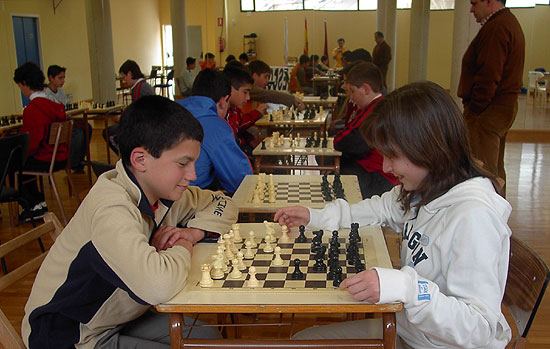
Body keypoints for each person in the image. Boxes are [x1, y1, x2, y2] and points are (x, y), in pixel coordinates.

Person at [274, 81, 512, 348]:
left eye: (392, 155)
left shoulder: (474, 216)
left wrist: (407, 288)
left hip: (434, 343)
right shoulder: (427, 188)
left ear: (427, 148)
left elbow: (479, 328)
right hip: (408, 327)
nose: (386, 165)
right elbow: (378, 209)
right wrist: (314, 217)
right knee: (301, 341)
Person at [22, 95, 237, 348]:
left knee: (206, 339)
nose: (193, 174)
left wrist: (193, 233)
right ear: (140, 160)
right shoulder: (112, 208)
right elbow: (158, 286)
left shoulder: (165, 193)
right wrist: (182, 247)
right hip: (70, 335)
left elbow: (225, 203)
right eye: (183, 164)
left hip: (119, 316)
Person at [458, 0, 525, 195]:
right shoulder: (506, 22)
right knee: (493, 168)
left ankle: (487, 220)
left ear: (489, 2)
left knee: (482, 171)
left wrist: (475, 110)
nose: (471, 9)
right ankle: (495, 217)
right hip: (498, 107)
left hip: (487, 110)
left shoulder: (497, 27)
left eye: (474, 3)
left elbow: (489, 74)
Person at [178, 69, 252, 194]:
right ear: (224, 101)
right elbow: (240, 181)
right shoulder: (216, 127)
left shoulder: (172, 112)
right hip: (185, 199)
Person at [13, 62, 68, 222]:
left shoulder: (34, 108)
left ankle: (32, 206)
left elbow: (32, 143)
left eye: (20, 86)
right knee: (22, 161)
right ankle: (38, 202)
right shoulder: (54, 104)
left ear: (24, 84)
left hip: (46, 159)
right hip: (59, 156)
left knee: (14, 163)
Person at [334, 62, 398, 199]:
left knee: (336, 183)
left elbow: (349, 141)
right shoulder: (376, 105)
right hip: (375, 170)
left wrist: (338, 139)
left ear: (366, 89)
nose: (350, 96)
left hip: (379, 177)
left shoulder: (376, 110)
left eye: (352, 91)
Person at [44, 65, 92, 174]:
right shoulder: (46, 94)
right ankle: (72, 162)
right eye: (60, 78)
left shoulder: (60, 92)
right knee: (77, 133)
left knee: (87, 128)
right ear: (51, 78)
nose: (63, 81)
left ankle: (80, 158)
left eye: (64, 78)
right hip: (56, 125)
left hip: (65, 120)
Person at [104, 59, 156, 154]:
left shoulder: (139, 89)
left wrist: (122, 119)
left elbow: (138, 116)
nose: (124, 80)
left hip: (143, 128)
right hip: (148, 125)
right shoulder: (143, 86)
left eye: (124, 77)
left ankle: (125, 157)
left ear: (130, 73)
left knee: (108, 133)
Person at [223, 63, 268, 159]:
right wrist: (257, 112)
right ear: (231, 89)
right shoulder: (224, 113)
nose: (248, 97)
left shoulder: (234, 109)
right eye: (245, 92)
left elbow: (239, 129)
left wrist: (249, 139)